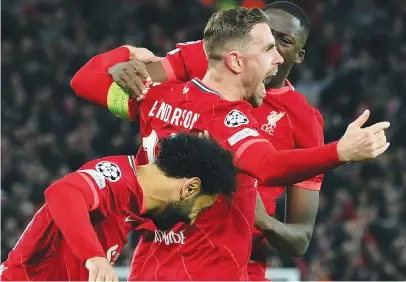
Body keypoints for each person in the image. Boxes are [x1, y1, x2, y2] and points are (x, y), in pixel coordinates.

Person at [71, 7, 389, 280]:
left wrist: (125, 54)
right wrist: (341, 151)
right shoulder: (225, 116)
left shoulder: (158, 96)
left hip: (155, 263)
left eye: (282, 44)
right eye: (267, 46)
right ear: (236, 60)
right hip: (210, 268)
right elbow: (266, 165)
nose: (276, 55)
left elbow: (85, 81)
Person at [106, 2, 325, 280]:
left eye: (283, 41)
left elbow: (300, 239)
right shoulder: (205, 64)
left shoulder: (303, 122)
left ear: (299, 55)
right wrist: (118, 69)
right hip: (161, 257)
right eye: (266, 36)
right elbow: (121, 87)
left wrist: (265, 223)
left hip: (233, 267)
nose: (272, 47)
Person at [0, 133, 237, 282]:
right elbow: (63, 193)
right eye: (198, 209)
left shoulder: (137, 206)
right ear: (190, 188)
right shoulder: (118, 180)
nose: (191, 220)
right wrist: (95, 258)